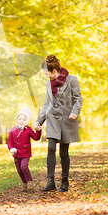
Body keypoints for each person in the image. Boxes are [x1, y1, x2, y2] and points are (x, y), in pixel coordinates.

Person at [33, 55, 83, 192]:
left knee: (63, 152)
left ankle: (65, 181)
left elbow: (78, 99)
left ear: (54, 71)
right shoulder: (48, 84)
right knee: (50, 148)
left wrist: (75, 112)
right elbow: (47, 104)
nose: (46, 76)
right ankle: (50, 181)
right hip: (53, 119)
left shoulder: (71, 80)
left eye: (46, 73)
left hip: (67, 119)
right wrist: (39, 121)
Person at [7, 107, 41, 192]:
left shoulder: (28, 129)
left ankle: (29, 181)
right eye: (19, 119)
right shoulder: (13, 130)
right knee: (19, 169)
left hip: (25, 153)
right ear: (17, 120)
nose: (21, 121)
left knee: (24, 166)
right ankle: (24, 183)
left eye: (23, 120)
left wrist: (38, 130)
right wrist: (11, 148)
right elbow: (9, 141)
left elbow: (36, 138)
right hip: (16, 154)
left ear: (26, 121)